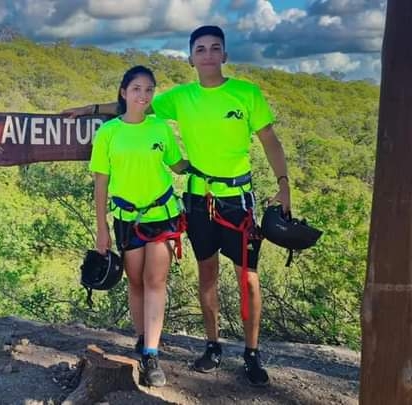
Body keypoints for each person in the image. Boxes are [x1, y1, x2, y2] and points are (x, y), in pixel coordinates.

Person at [65, 25, 290, 387]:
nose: (208, 55)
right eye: (200, 49)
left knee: (248, 279)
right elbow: (134, 105)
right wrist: (90, 109)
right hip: (198, 199)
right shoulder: (180, 97)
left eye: (214, 48)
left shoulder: (246, 94)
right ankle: (212, 346)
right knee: (206, 274)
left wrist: (284, 185)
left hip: (237, 198)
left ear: (224, 55)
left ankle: (252, 352)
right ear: (190, 58)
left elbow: (270, 141)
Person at [89, 65, 188, 387]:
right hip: (126, 218)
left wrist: (209, 161)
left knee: (155, 280)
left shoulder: (160, 128)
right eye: (136, 89)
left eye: (148, 90)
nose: (143, 95)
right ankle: (143, 337)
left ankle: (151, 354)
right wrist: (101, 228)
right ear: (123, 92)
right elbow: (101, 182)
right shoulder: (109, 132)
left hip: (162, 214)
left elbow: (177, 164)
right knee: (135, 281)